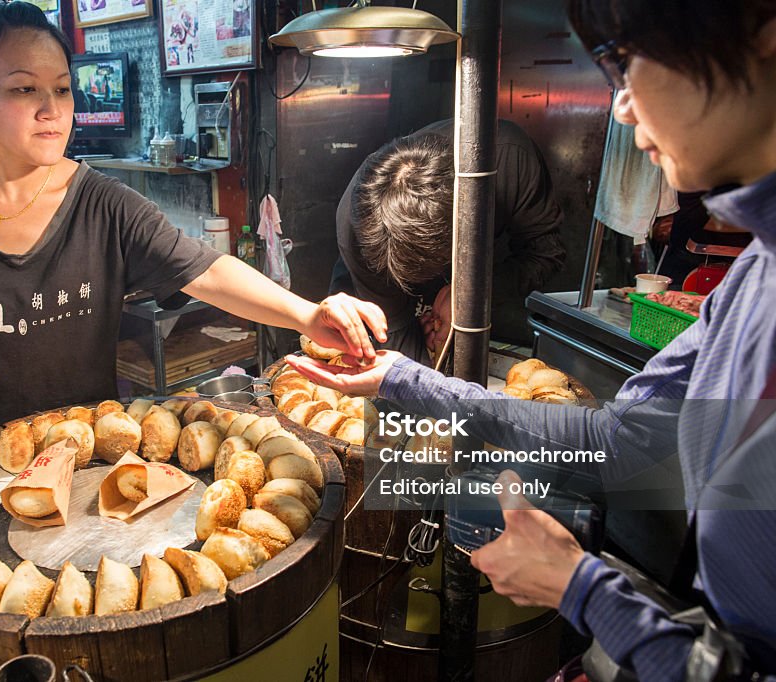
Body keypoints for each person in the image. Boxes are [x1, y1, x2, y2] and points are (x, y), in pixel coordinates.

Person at [287, 0, 776, 678]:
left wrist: (582, 589)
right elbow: (620, 441)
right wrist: (402, 380)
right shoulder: (755, 274)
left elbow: (553, 259)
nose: (623, 108)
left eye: (626, 63)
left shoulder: (506, 167)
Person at [0, 2, 386, 466]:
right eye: (23, 89)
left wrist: (307, 315)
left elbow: (206, 269)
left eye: (61, 88)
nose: (52, 109)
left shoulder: (101, 203)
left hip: (80, 449)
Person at [330, 119, 565, 361]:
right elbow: (395, 336)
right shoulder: (357, 224)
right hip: (376, 292)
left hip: (483, 283)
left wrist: (470, 296)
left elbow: (545, 254)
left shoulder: (508, 158)